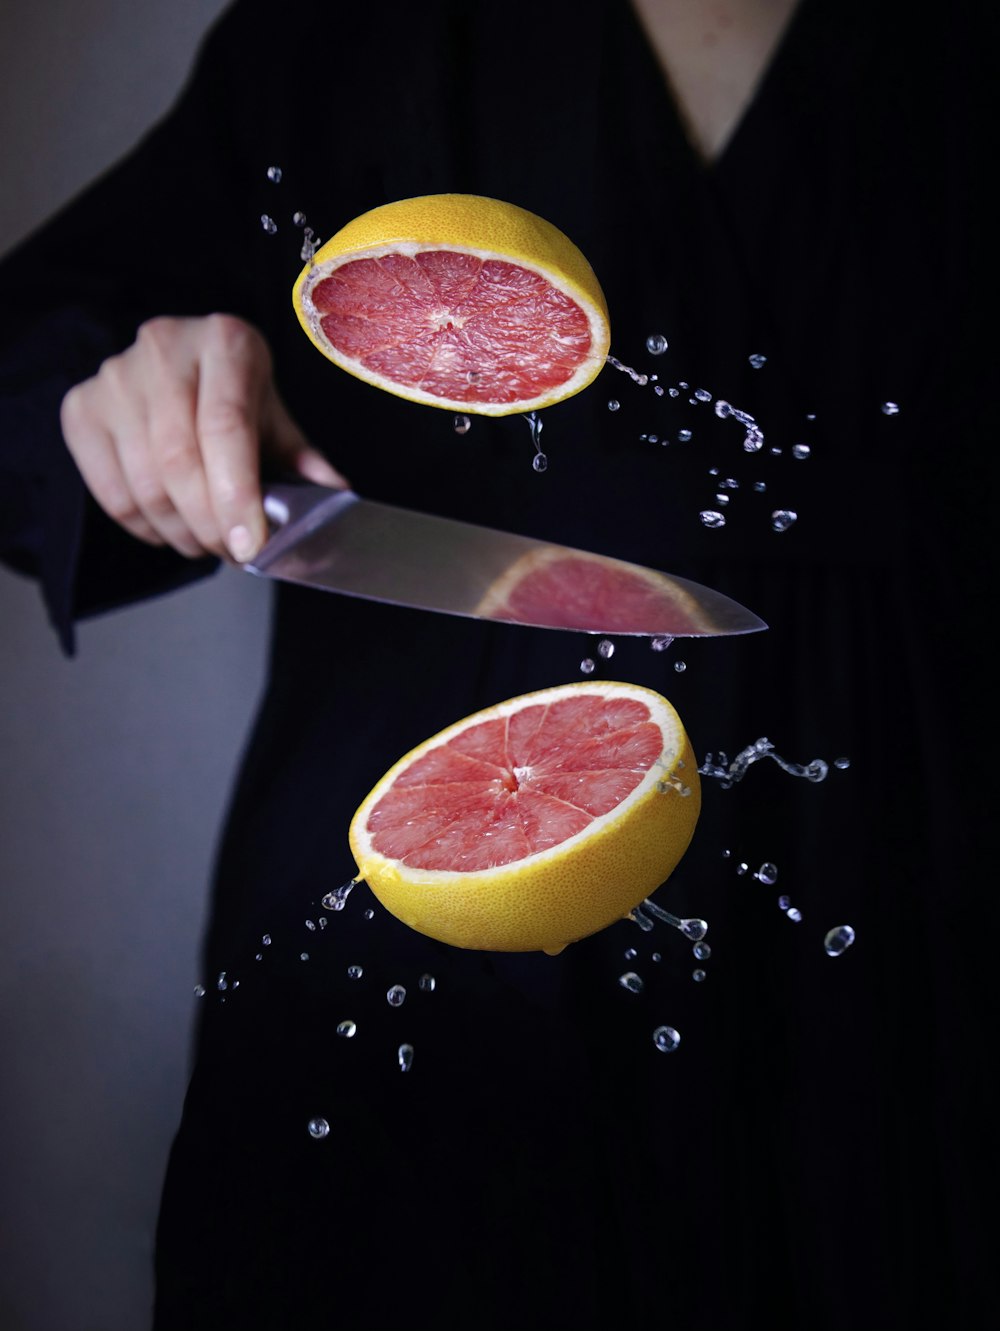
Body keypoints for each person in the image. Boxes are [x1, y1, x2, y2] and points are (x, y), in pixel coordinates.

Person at [1, 1, 995, 1326]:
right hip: (433, 842)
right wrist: (120, 392)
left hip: (915, 853)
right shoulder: (349, 32)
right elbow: (29, 363)